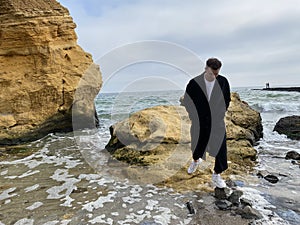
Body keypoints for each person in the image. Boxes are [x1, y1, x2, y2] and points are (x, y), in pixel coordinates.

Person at [183, 58, 231, 188]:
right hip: (200, 120)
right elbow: (187, 100)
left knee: (221, 147)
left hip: (217, 120)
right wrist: (193, 115)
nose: (214, 76)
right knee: (197, 144)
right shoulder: (194, 83)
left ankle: (217, 174)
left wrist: (221, 113)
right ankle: (195, 161)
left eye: (216, 73)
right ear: (206, 69)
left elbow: (227, 99)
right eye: (211, 73)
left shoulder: (223, 81)